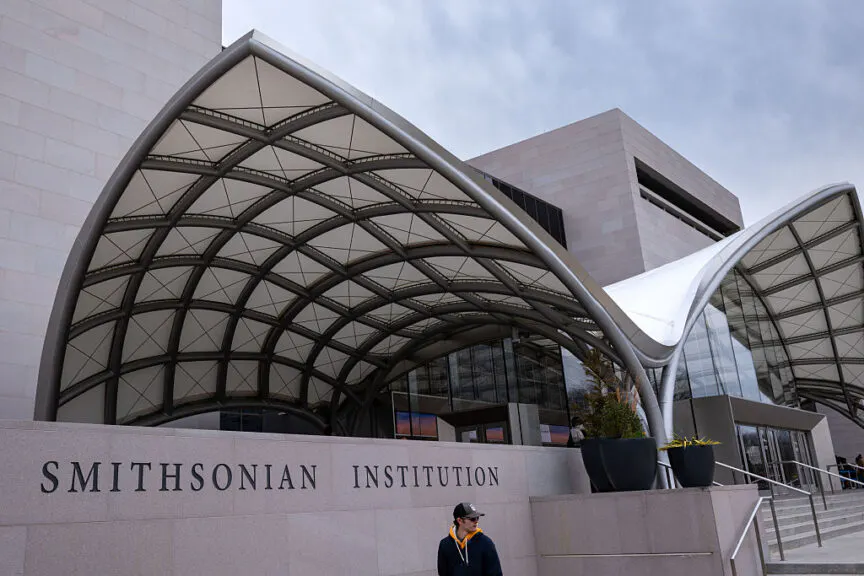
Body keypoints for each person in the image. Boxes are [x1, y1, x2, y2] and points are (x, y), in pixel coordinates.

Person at [437, 502, 503, 576]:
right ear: (460, 521)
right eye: (472, 519)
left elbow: (495, 574)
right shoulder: (445, 545)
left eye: (477, 518)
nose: (476, 521)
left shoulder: (486, 543)